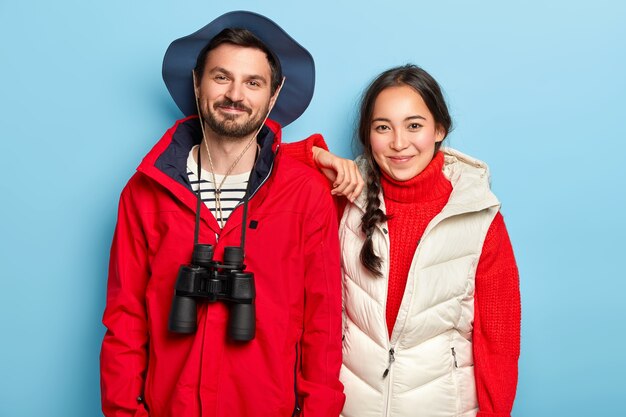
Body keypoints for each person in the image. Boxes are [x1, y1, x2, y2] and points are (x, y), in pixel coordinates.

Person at [100, 11, 345, 417]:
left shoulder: (305, 195)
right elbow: (124, 321)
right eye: (221, 77)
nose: (235, 94)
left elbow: (323, 328)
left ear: (275, 93)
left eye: (253, 82)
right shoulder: (146, 192)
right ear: (197, 82)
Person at [288, 64, 521, 417]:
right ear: (368, 134)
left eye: (414, 125)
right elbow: (253, 156)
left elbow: (499, 342)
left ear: (439, 129)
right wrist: (316, 155)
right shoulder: (343, 197)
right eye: (383, 127)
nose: (399, 143)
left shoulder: (479, 215)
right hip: (350, 408)